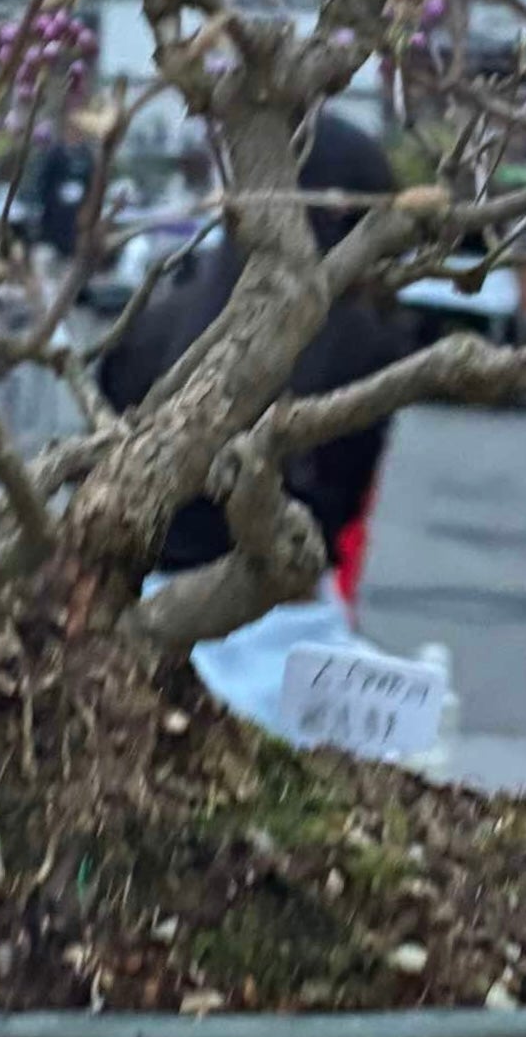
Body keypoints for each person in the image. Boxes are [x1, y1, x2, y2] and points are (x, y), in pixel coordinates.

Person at [95, 111, 413, 720]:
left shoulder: (153, 323)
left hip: (149, 610)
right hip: (287, 623)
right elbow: (340, 513)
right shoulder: (367, 345)